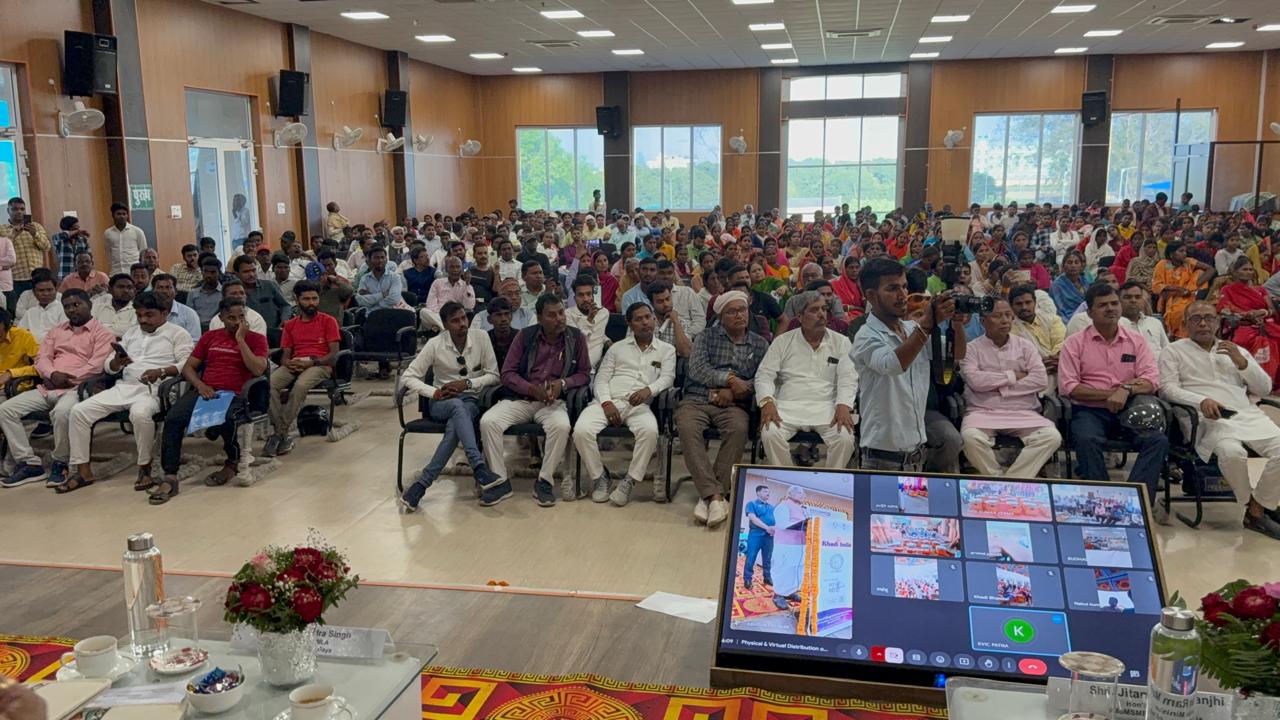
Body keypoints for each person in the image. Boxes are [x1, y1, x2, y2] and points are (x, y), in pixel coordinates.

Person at [1158, 301, 1280, 539]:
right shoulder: (1173, 351)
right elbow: (1167, 389)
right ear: (1185, 324)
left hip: (1246, 415)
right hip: (1206, 419)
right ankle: (1256, 508)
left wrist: (1243, 363)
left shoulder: (1234, 350)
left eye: (1209, 318)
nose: (1203, 323)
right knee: (1232, 453)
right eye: (1196, 319)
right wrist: (1201, 400)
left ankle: (1258, 507)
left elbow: (1264, 388)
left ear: (1218, 322)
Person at [64, 291, 192, 492]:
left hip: (156, 390)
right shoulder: (132, 333)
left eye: (149, 315)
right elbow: (108, 366)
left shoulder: (178, 333)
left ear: (165, 313)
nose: (143, 320)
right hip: (124, 387)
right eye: (139, 315)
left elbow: (187, 364)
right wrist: (116, 362)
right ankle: (83, 471)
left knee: (139, 414)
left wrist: (161, 371)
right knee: (79, 411)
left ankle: (145, 467)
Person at [152, 298, 269, 503]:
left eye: (241, 317)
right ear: (221, 318)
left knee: (227, 419)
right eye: (231, 318)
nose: (237, 322)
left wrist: (241, 340)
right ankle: (170, 476)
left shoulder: (256, 339)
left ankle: (232, 461)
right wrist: (200, 385)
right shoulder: (210, 337)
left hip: (237, 394)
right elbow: (189, 367)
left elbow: (258, 369)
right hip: (206, 390)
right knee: (173, 419)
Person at [479, 294, 591, 507]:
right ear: (539, 318)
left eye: (561, 313)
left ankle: (544, 482)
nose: (559, 318)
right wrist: (530, 388)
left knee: (561, 426)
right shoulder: (525, 336)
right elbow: (507, 373)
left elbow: (585, 374)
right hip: (521, 399)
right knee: (488, 422)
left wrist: (563, 383)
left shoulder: (576, 337)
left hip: (553, 402)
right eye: (552, 315)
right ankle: (500, 482)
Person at [1058, 283, 1167, 500]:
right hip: (1089, 410)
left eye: (1114, 303)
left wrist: (1125, 389)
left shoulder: (1136, 341)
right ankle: (1103, 500)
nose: (1110, 309)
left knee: (1158, 441)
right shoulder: (1074, 343)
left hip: (1130, 407)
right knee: (1086, 439)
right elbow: (1070, 387)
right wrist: (1111, 394)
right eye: (1102, 305)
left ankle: (1136, 501)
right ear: (1090, 313)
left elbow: (1151, 380)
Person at [0, 290, 114, 489]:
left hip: (78, 388)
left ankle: (61, 462)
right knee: (5, 410)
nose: (72, 310)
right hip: (49, 386)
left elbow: (96, 366)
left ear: (89, 304)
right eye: (67, 306)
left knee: (61, 413)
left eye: (76, 304)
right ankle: (29, 463)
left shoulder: (103, 333)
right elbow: (42, 358)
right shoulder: (56, 331)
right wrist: (52, 374)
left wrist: (67, 378)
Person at [852, 258, 957, 471]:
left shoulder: (911, 329)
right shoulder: (866, 335)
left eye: (904, 286)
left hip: (916, 455)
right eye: (892, 288)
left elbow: (956, 353)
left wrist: (956, 322)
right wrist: (926, 325)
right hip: (881, 459)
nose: (902, 295)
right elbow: (893, 365)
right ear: (871, 295)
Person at [675, 290, 770, 524]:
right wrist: (728, 379)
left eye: (743, 310)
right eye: (732, 312)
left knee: (738, 429)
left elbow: (763, 378)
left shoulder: (759, 344)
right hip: (697, 398)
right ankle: (716, 495)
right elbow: (697, 370)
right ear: (720, 316)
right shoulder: (705, 337)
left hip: (734, 404)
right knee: (687, 427)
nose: (739, 315)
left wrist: (736, 390)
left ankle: (709, 496)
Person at [573, 302, 676, 506]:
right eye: (639, 319)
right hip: (607, 401)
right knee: (581, 431)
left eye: (648, 317)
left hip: (639, 406)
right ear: (629, 324)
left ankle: (629, 481)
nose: (645, 322)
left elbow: (668, 378)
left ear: (654, 319)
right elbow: (601, 380)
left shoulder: (667, 350)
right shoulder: (617, 348)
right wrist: (606, 403)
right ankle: (600, 477)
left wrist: (649, 390)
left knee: (649, 432)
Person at [959, 299, 1060, 478]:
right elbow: (975, 381)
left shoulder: (1025, 346)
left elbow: (1040, 379)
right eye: (997, 316)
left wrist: (1000, 388)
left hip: (1023, 411)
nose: (1005, 320)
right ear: (983, 321)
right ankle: (997, 477)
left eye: (1008, 315)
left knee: (1051, 437)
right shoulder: (971, 349)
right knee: (970, 438)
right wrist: (1013, 376)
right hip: (984, 411)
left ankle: (1012, 480)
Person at [756, 291, 858, 469]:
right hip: (787, 406)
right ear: (800, 317)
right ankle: (788, 478)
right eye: (814, 310)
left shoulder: (841, 342)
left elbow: (848, 376)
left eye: (824, 309)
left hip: (828, 407)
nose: (821, 314)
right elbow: (764, 374)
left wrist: (843, 405)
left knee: (845, 438)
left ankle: (829, 482)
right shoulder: (783, 342)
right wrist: (767, 402)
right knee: (770, 434)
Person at [264, 281, 340, 456]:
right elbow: (285, 355)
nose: (311, 303)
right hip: (296, 362)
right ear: (297, 300)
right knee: (269, 384)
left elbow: (333, 354)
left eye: (314, 298)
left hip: (320, 364)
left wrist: (311, 363)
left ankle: (279, 433)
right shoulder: (290, 325)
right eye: (306, 299)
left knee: (300, 386)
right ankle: (281, 433)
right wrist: (287, 363)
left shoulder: (328, 321)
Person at [1217, 257, 1280, 390]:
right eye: (1244, 269)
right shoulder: (1227, 289)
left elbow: (1272, 310)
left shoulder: (1260, 290)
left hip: (1265, 323)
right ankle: (1249, 379)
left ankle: (1272, 381)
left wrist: (1263, 312)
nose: (1248, 272)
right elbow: (1223, 308)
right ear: (1235, 272)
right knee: (1244, 340)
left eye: (1250, 269)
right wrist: (1247, 315)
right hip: (1242, 323)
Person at [1153, 241, 1213, 339]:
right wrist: (1178, 289)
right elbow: (1156, 286)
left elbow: (1211, 269)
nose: (1184, 253)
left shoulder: (1188, 262)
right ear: (1171, 254)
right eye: (1181, 251)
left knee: (1200, 272)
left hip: (1189, 294)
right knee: (1181, 311)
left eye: (1185, 251)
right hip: (1170, 296)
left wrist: (1194, 286)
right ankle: (1176, 334)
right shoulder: (1163, 264)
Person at [0, 197, 48, 315]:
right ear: (8, 210)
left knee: (40, 310)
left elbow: (46, 247)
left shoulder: (36, 227)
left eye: (22, 209)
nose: (19, 212)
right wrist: (13, 235)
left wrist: (35, 234)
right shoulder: (2, 229)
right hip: (15, 279)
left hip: (37, 277)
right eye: (15, 209)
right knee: (17, 312)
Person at [768, 485, 809, 611]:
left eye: (804, 493)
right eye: (800, 493)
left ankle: (790, 592)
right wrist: (802, 524)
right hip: (785, 545)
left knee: (796, 569)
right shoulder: (783, 506)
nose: (803, 495)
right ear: (790, 493)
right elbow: (782, 524)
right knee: (783, 569)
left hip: (800, 545)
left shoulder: (803, 508)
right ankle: (778, 595)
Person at [1009, 285, 1065, 375]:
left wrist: (1053, 360)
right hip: (1033, 372)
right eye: (1019, 304)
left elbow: (1061, 342)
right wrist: (1039, 365)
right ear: (1011, 306)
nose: (1024, 307)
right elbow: (1019, 357)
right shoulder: (1010, 330)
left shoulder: (1052, 320)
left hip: (1059, 365)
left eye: (1028, 302)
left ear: (1035, 303)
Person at [232, 255, 290, 329]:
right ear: (236, 274)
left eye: (253, 270)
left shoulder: (269, 286)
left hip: (273, 331)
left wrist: (284, 321)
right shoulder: (233, 292)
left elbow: (285, 306)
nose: (251, 274)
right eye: (246, 272)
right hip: (247, 332)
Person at [421, 256, 476, 331]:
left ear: (462, 269)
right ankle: (447, 330)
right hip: (438, 315)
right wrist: (441, 317)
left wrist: (467, 285)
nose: (455, 270)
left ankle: (443, 329)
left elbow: (469, 306)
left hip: (455, 316)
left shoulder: (466, 286)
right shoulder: (437, 283)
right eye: (452, 267)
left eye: (458, 267)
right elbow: (430, 305)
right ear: (446, 269)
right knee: (423, 312)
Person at [565, 274, 609, 368]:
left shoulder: (603, 313)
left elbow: (598, 333)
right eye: (581, 295)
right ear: (574, 298)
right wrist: (589, 320)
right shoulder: (568, 314)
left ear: (594, 295)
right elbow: (577, 342)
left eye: (589, 294)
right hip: (575, 366)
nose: (585, 299)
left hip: (598, 367)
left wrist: (607, 341)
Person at [741, 484, 775, 589]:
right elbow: (753, 518)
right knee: (751, 557)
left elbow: (776, 520)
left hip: (769, 536)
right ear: (758, 493)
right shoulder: (751, 504)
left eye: (768, 492)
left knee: (767, 558)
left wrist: (774, 528)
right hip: (755, 535)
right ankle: (747, 579)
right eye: (765, 491)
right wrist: (767, 527)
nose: (768, 493)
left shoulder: (771, 507)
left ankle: (767, 577)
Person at [150, 273, 200, 341]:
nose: (164, 291)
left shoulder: (189, 314)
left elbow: (194, 341)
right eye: (160, 288)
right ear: (152, 292)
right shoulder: (145, 313)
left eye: (168, 287)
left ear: (176, 291)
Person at [18, 273, 66, 342]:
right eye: (41, 290)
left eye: (49, 290)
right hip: (30, 347)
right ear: (34, 292)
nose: (46, 294)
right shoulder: (30, 312)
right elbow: (20, 333)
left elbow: (63, 336)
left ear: (56, 290)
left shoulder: (63, 310)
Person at [353, 246, 404, 311]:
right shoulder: (364, 279)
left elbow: (394, 299)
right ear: (370, 260)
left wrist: (373, 301)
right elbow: (360, 300)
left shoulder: (395, 277)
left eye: (382, 257)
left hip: (392, 312)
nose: (380, 260)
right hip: (372, 315)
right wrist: (382, 295)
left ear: (386, 260)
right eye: (376, 258)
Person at [104, 202, 147, 276]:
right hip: (115, 271)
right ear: (113, 216)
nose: (122, 216)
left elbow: (143, 251)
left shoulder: (137, 231)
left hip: (133, 272)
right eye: (118, 214)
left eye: (124, 214)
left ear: (127, 215)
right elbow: (108, 253)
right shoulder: (108, 233)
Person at [1050, 250, 1089, 325]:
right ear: (1063, 266)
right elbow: (1059, 309)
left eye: (1076, 262)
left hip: (1086, 317)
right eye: (1070, 262)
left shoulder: (1085, 281)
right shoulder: (1057, 285)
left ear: (1081, 266)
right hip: (1066, 319)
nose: (1073, 265)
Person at [51, 215, 90, 282]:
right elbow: (63, 235)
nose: (78, 229)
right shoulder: (59, 239)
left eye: (78, 228)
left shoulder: (83, 240)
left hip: (81, 276)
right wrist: (77, 231)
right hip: (65, 275)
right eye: (75, 228)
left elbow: (90, 257)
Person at [190, 255, 224, 329]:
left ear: (219, 273)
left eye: (213, 272)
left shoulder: (224, 293)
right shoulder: (193, 293)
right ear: (202, 272)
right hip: (197, 328)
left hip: (217, 328)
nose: (208, 275)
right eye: (205, 271)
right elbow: (189, 316)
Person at [485, 296, 518, 368]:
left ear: (511, 316)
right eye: (498, 315)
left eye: (506, 314)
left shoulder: (520, 338)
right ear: (489, 319)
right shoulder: (485, 340)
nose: (503, 319)